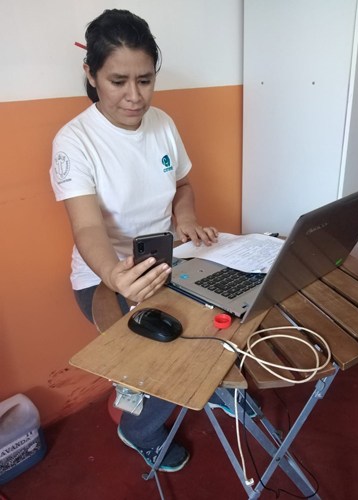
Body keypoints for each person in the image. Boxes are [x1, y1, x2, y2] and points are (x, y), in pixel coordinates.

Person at [49, 9, 220, 473]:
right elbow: (86, 229)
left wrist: (186, 221)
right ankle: (139, 429)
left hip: (167, 260)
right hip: (104, 278)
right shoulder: (76, 141)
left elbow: (182, 186)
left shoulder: (162, 122)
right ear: (91, 73)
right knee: (171, 354)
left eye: (144, 80)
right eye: (118, 80)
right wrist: (115, 275)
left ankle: (215, 387)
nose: (134, 97)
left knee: (232, 310)